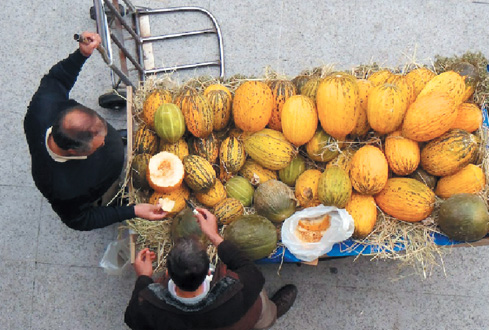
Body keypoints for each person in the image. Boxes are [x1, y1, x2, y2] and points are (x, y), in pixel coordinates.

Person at [24, 31, 168, 231]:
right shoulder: (62, 188)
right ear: (75, 151)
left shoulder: (43, 106)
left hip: (99, 163)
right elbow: (81, 221)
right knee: (108, 196)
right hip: (100, 186)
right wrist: (132, 211)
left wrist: (81, 54)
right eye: (99, 143)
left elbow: (57, 80)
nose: (105, 139)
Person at [124, 208, 298, 330]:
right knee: (260, 302)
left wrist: (143, 278)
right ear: (209, 272)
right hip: (236, 321)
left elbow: (131, 320)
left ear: (167, 273)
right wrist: (215, 236)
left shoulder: (147, 305)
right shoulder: (236, 290)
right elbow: (252, 272)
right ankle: (270, 316)